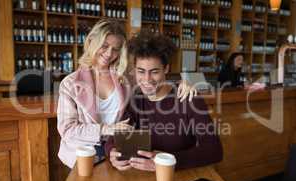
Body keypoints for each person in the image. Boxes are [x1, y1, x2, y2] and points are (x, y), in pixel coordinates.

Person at [57, 19, 197, 168]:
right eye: (104, 46)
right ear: (91, 41)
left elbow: (151, 82)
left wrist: (180, 84)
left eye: (116, 49)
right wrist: (106, 129)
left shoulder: (125, 77)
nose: (109, 53)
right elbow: (68, 130)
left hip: (119, 152)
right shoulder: (70, 83)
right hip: (83, 156)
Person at [105, 31, 223, 171]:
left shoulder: (188, 98)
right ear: (134, 70)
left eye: (154, 72)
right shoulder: (136, 100)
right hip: (145, 179)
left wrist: (167, 161)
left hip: (181, 176)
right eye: (141, 71)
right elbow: (114, 138)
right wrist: (112, 152)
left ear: (166, 69)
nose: (147, 79)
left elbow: (214, 151)